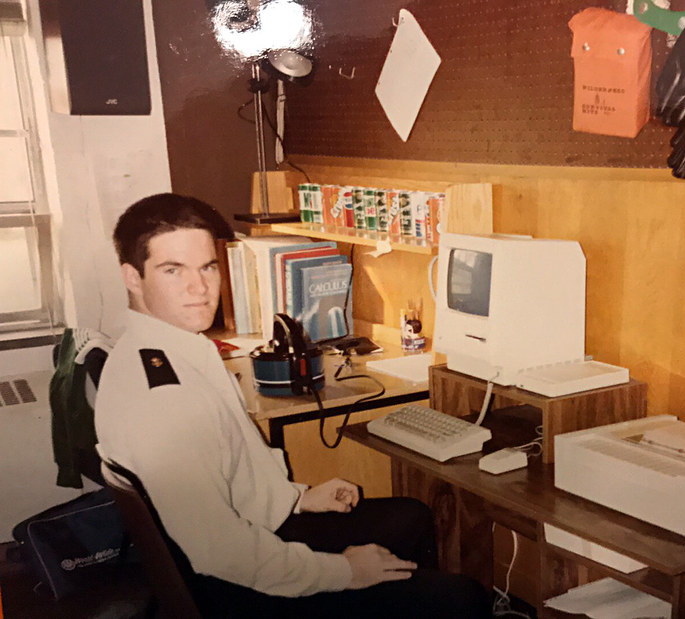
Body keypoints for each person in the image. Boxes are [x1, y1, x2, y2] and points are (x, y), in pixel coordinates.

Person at [94, 193, 491, 618]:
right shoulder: (166, 399)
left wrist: (295, 499)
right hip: (231, 589)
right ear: (131, 277)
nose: (200, 288)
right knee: (460, 598)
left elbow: (219, 480)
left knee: (410, 518)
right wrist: (342, 571)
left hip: (222, 553)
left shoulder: (158, 349)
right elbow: (221, 550)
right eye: (173, 270)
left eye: (207, 267)